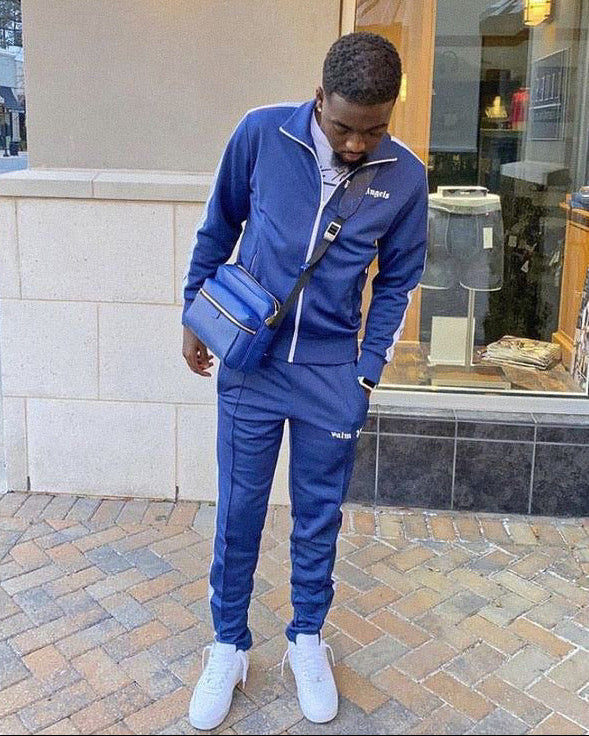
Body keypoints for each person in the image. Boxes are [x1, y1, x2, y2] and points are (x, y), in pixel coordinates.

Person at [181, 31, 428, 730]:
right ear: (319, 98)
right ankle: (228, 646)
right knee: (239, 512)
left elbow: (399, 280)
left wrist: (366, 373)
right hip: (250, 365)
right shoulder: (261, 134)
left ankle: (306, 639)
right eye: (345, 127)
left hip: (330, 374)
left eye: (373, 130)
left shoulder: (404, 176)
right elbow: (218, 226)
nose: (356, 143)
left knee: (318, 516)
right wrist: (194, 313)